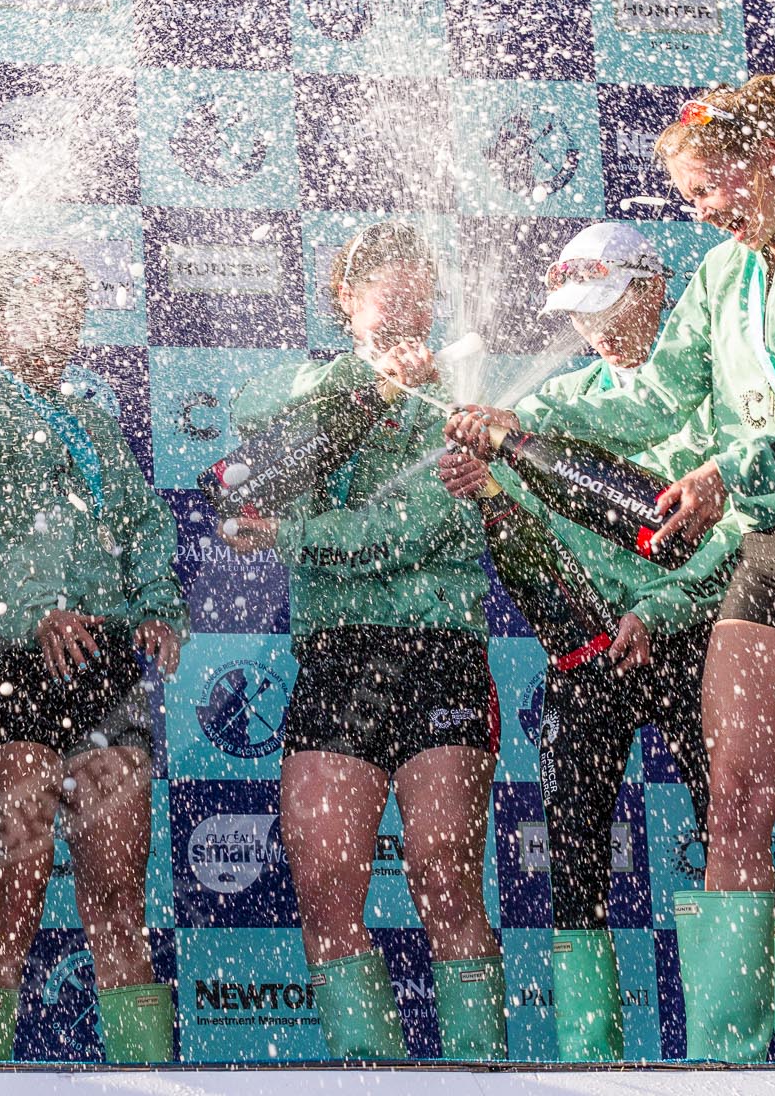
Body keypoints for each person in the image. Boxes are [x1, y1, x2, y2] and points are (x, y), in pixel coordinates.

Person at [450, 75, 775, 1063]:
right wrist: (522, 420)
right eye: (690, 198)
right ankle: (732, 1062)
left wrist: (728, 471)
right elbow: (654, 396)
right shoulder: (719, 274)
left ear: (769, 159)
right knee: (738, 801)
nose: (705, 211)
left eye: (711, 188)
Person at [220, 221, 504, 1061]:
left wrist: (294, 535)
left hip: (439, 651)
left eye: (423, 294)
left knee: (445, 873)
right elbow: (251, 455)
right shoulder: (299, 390)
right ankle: (366, 1074)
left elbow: (418, 528)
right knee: (324, 885)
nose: (410, 310)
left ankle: (483, 1076)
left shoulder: (462, 389)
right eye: (390, 293)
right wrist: (370, 389)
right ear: (344, 298)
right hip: (336, 657)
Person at [0, 250, 186, 1062]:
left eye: (72, 308)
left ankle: (147, 1078)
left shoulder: (93, 417)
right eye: (42, 304)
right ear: (0, 315)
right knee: (13, 892)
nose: (59, 322)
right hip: (6, 660)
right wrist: (28, 612)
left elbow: (143, 523)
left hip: (103, 662)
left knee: (117, 898)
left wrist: (157, 607)